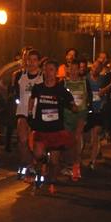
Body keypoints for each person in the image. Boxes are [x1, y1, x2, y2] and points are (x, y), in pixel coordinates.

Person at [27, 58, 75, 194]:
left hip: (56, 130)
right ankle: (41, 167)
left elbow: (72, 103)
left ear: (56, 72)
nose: (48, 73)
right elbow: (32, 99)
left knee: (54, 162)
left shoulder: (61, 90)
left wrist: (73, 107)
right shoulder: (38, 88)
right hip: (41, 128)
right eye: (46, 70)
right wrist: (30, 113)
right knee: (37, 154)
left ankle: (52, 183)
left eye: (51, 70)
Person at [10, 50, 43, 179]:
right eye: (30, 60)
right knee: (22, 140)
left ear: (39, 62)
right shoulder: (20, 75)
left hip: (37, 113)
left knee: (35, 143)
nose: (32, 63)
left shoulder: (43, 76)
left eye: (35, 60)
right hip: (22, 111)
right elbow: (14, 92)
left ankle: (38, 163)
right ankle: (28, 164)